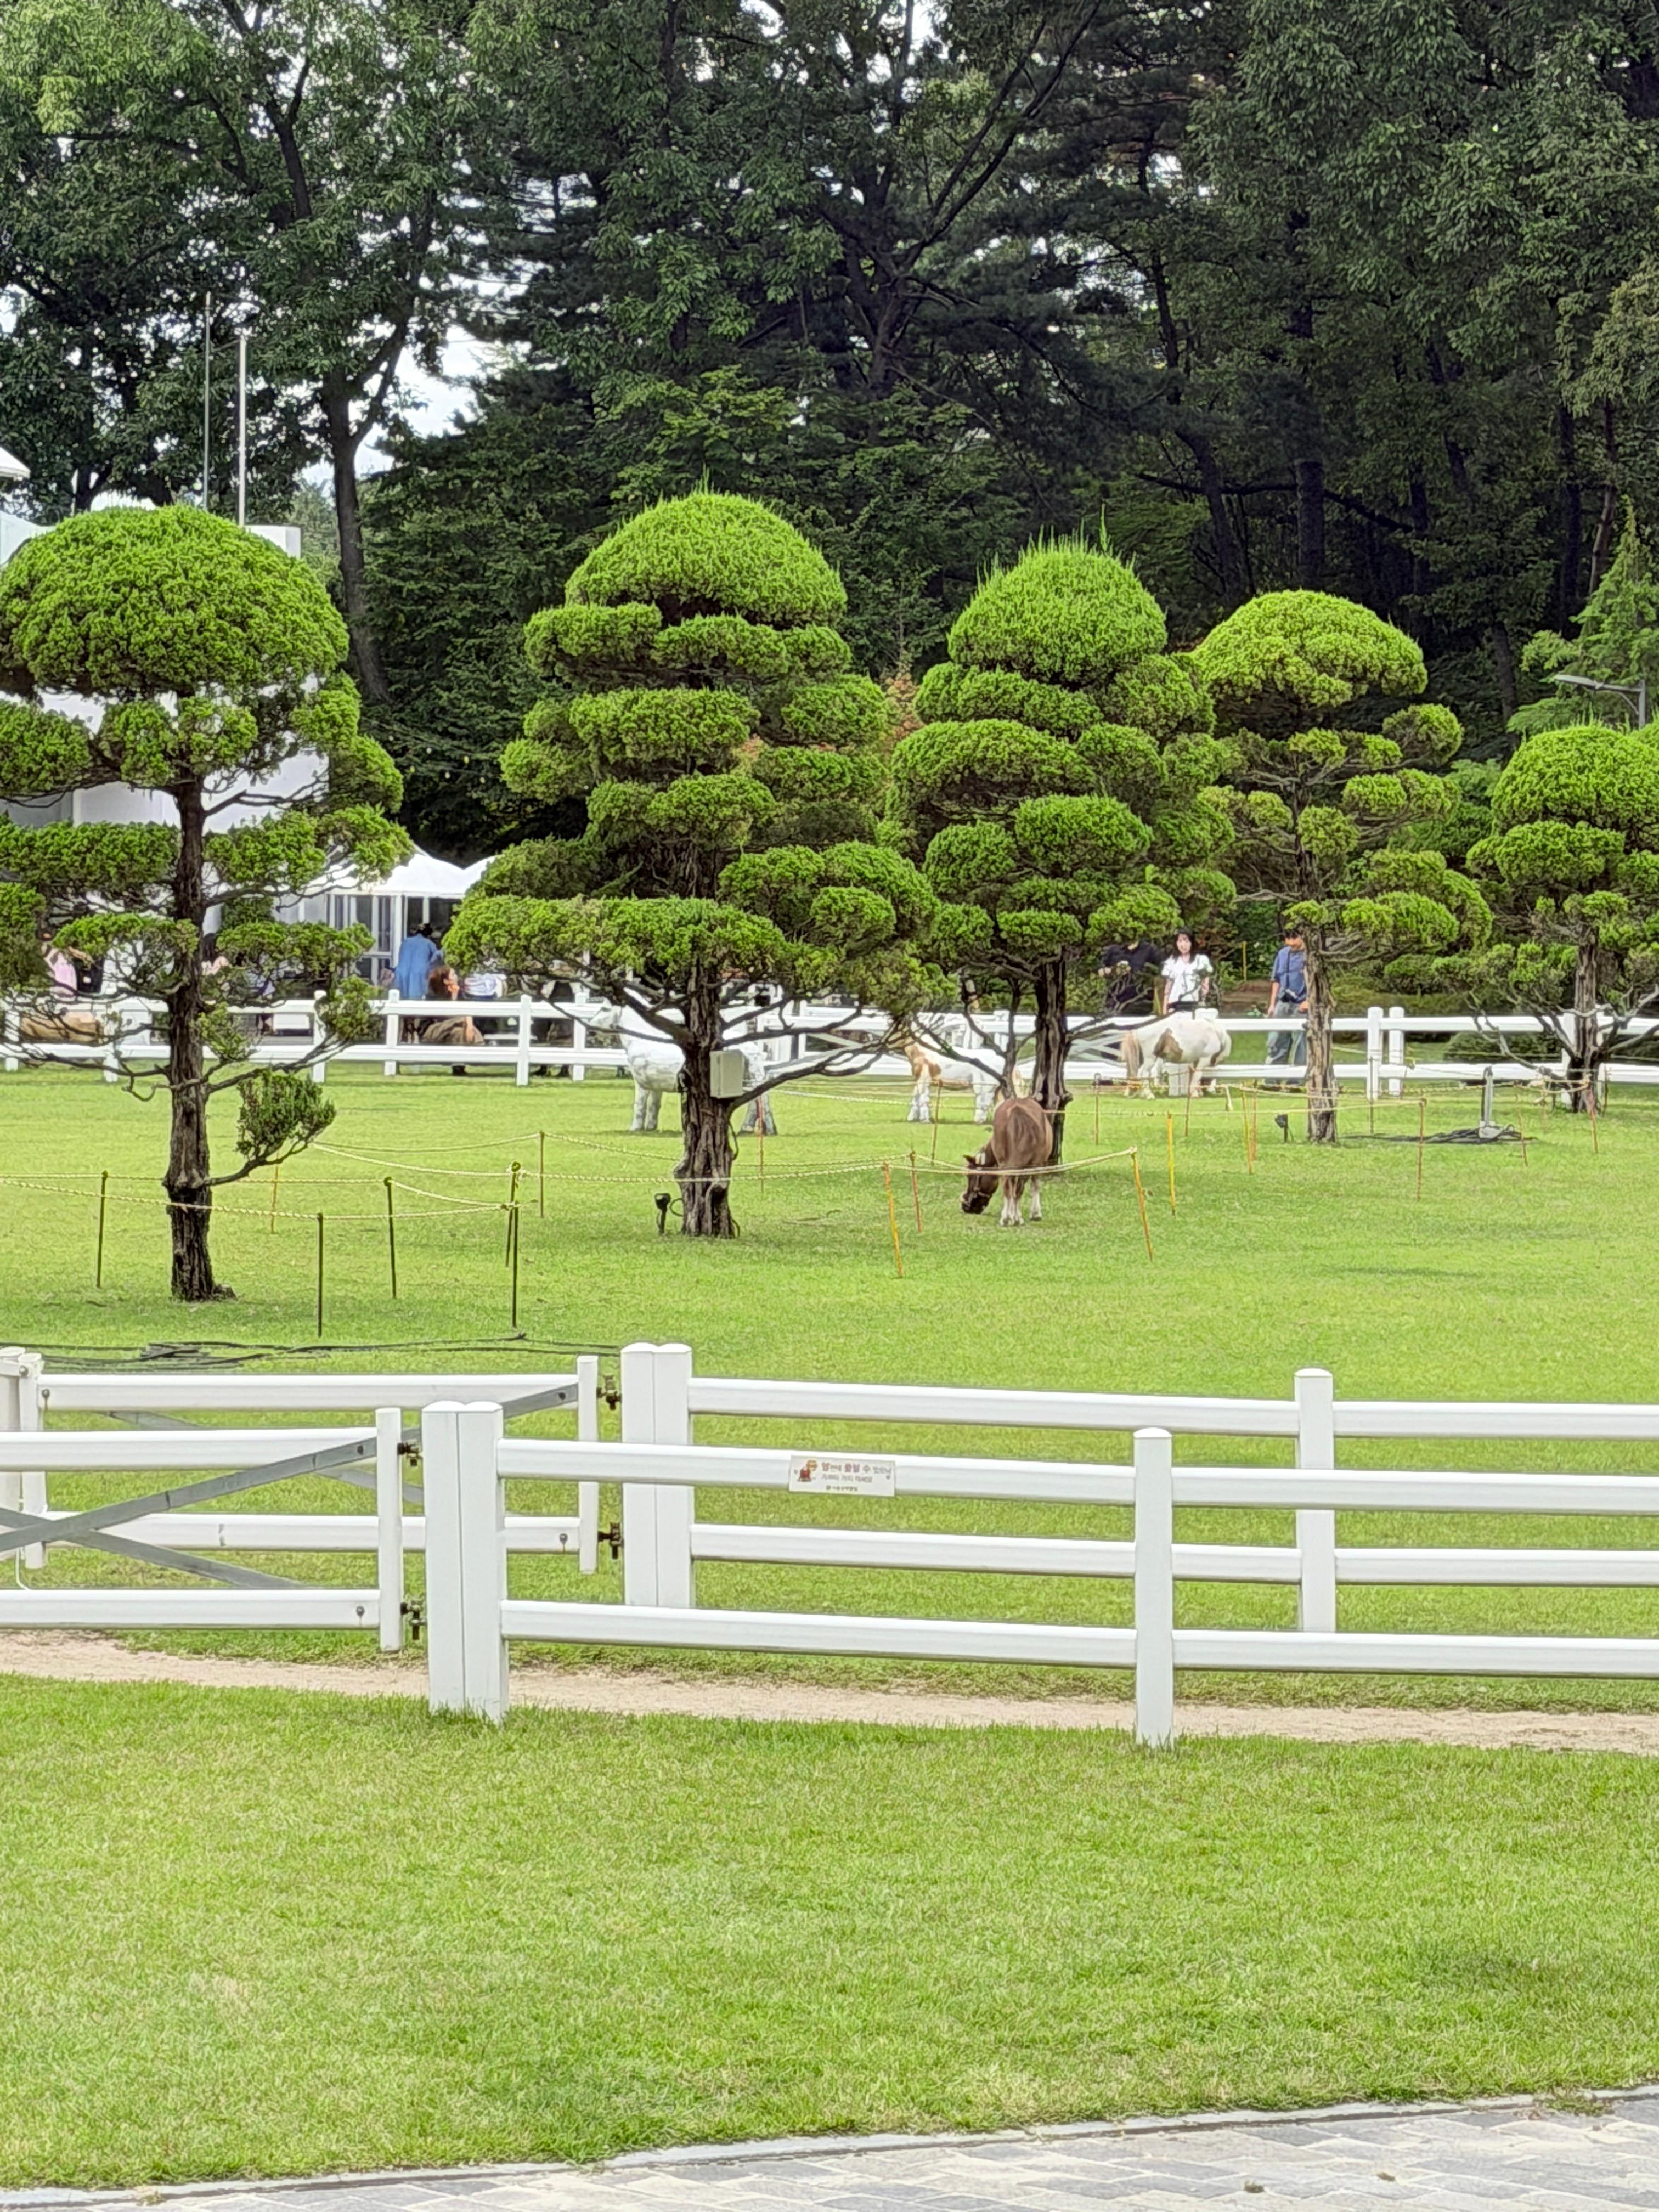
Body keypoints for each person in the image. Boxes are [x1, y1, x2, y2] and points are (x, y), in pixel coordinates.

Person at [1267, 923, 1309, 1082]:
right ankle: (1272, 1079)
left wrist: (1309, 1001)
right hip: (1282, 1002)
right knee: (1276, 1040)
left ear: (1302, 936)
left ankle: (1296, 1081)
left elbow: (1315, 981)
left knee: (1300, 1044)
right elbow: (1276, 980)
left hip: (1301, 1004)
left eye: (1294, 938)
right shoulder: (1282, 954)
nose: (1291, 942)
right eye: (1288, 938)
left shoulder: (1309, 956)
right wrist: (1272, 1004)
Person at [1159, 929, 1214, 1015]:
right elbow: (1167, 989)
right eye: (1180, 941)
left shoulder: (1200, 960)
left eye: (1186, 941)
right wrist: (1164, 1012)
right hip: (1175, 1005)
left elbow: (1206, 985)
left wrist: (1204, 998)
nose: (1183, 945)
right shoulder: (1171, 962)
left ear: (1191, 942)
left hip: (1195, 1005)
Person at [392, 922, 441, 1003]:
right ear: (429, 935)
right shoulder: (429, 944)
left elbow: (401, 957)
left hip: (402, 975)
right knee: (417, 1003)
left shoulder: (405, 942)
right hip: (420, 975)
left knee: (402, 1002)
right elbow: (437, 957)